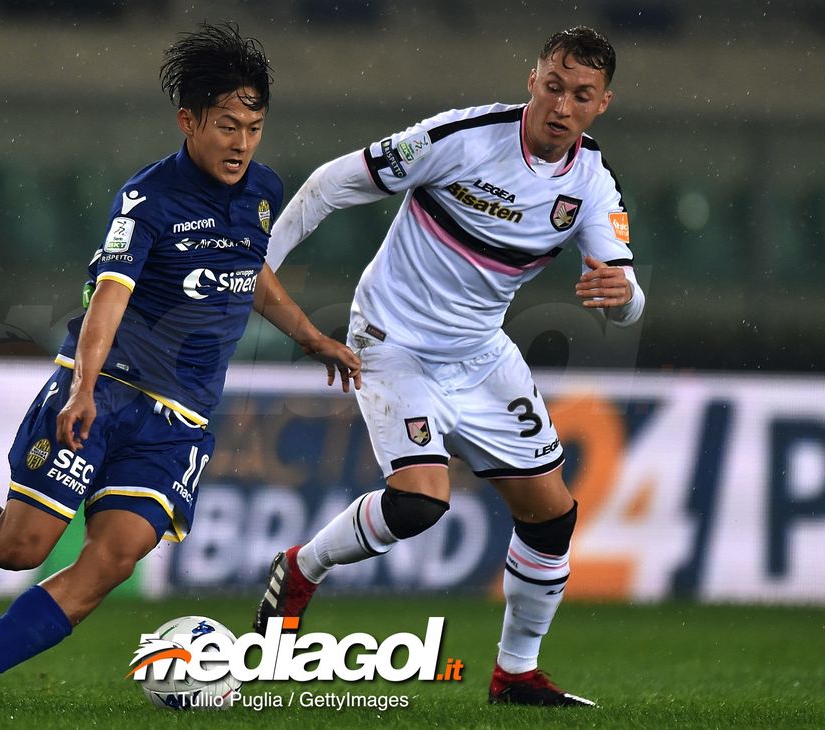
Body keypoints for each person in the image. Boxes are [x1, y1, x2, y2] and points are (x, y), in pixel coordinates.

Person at [0, 22, 360, 706]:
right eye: (227, 126)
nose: (241, 143)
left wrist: (309, 335)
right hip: (105, 393)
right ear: (188, 120)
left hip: (180, 423)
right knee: (20, 547)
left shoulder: (261, 191)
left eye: (254, 128)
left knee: (113, 559)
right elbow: (110, 297)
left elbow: (250, 272)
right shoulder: (148, 200)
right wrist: (81, 388)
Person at [253, 26, 642, 707]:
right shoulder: (461, 139)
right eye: (553, 86)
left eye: (580, 95)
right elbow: (329, 184)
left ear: (601, 104)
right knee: (420, 502)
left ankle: (515, 674)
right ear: (533, 80)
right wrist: (258, 267)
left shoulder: (591, 183)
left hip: (480, 351)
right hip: (391, 337)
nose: (561, 105)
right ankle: (300, 568)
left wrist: (626, 297)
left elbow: (626, 298)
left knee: (551, 518)